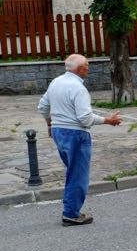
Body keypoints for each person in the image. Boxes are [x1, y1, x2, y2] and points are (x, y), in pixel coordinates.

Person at [37, 54, 122, 225]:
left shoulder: (56, 82)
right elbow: (85, 118)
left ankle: (71, 209)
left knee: (72, 171)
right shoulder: (78, 88)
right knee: (78, 174)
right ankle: (71, 214)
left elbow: (43, 106)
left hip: (58, 131)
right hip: (75, 134)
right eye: (87, 66)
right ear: (80, 69)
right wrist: (108, 120)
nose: (88, 68)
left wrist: (49, 124)